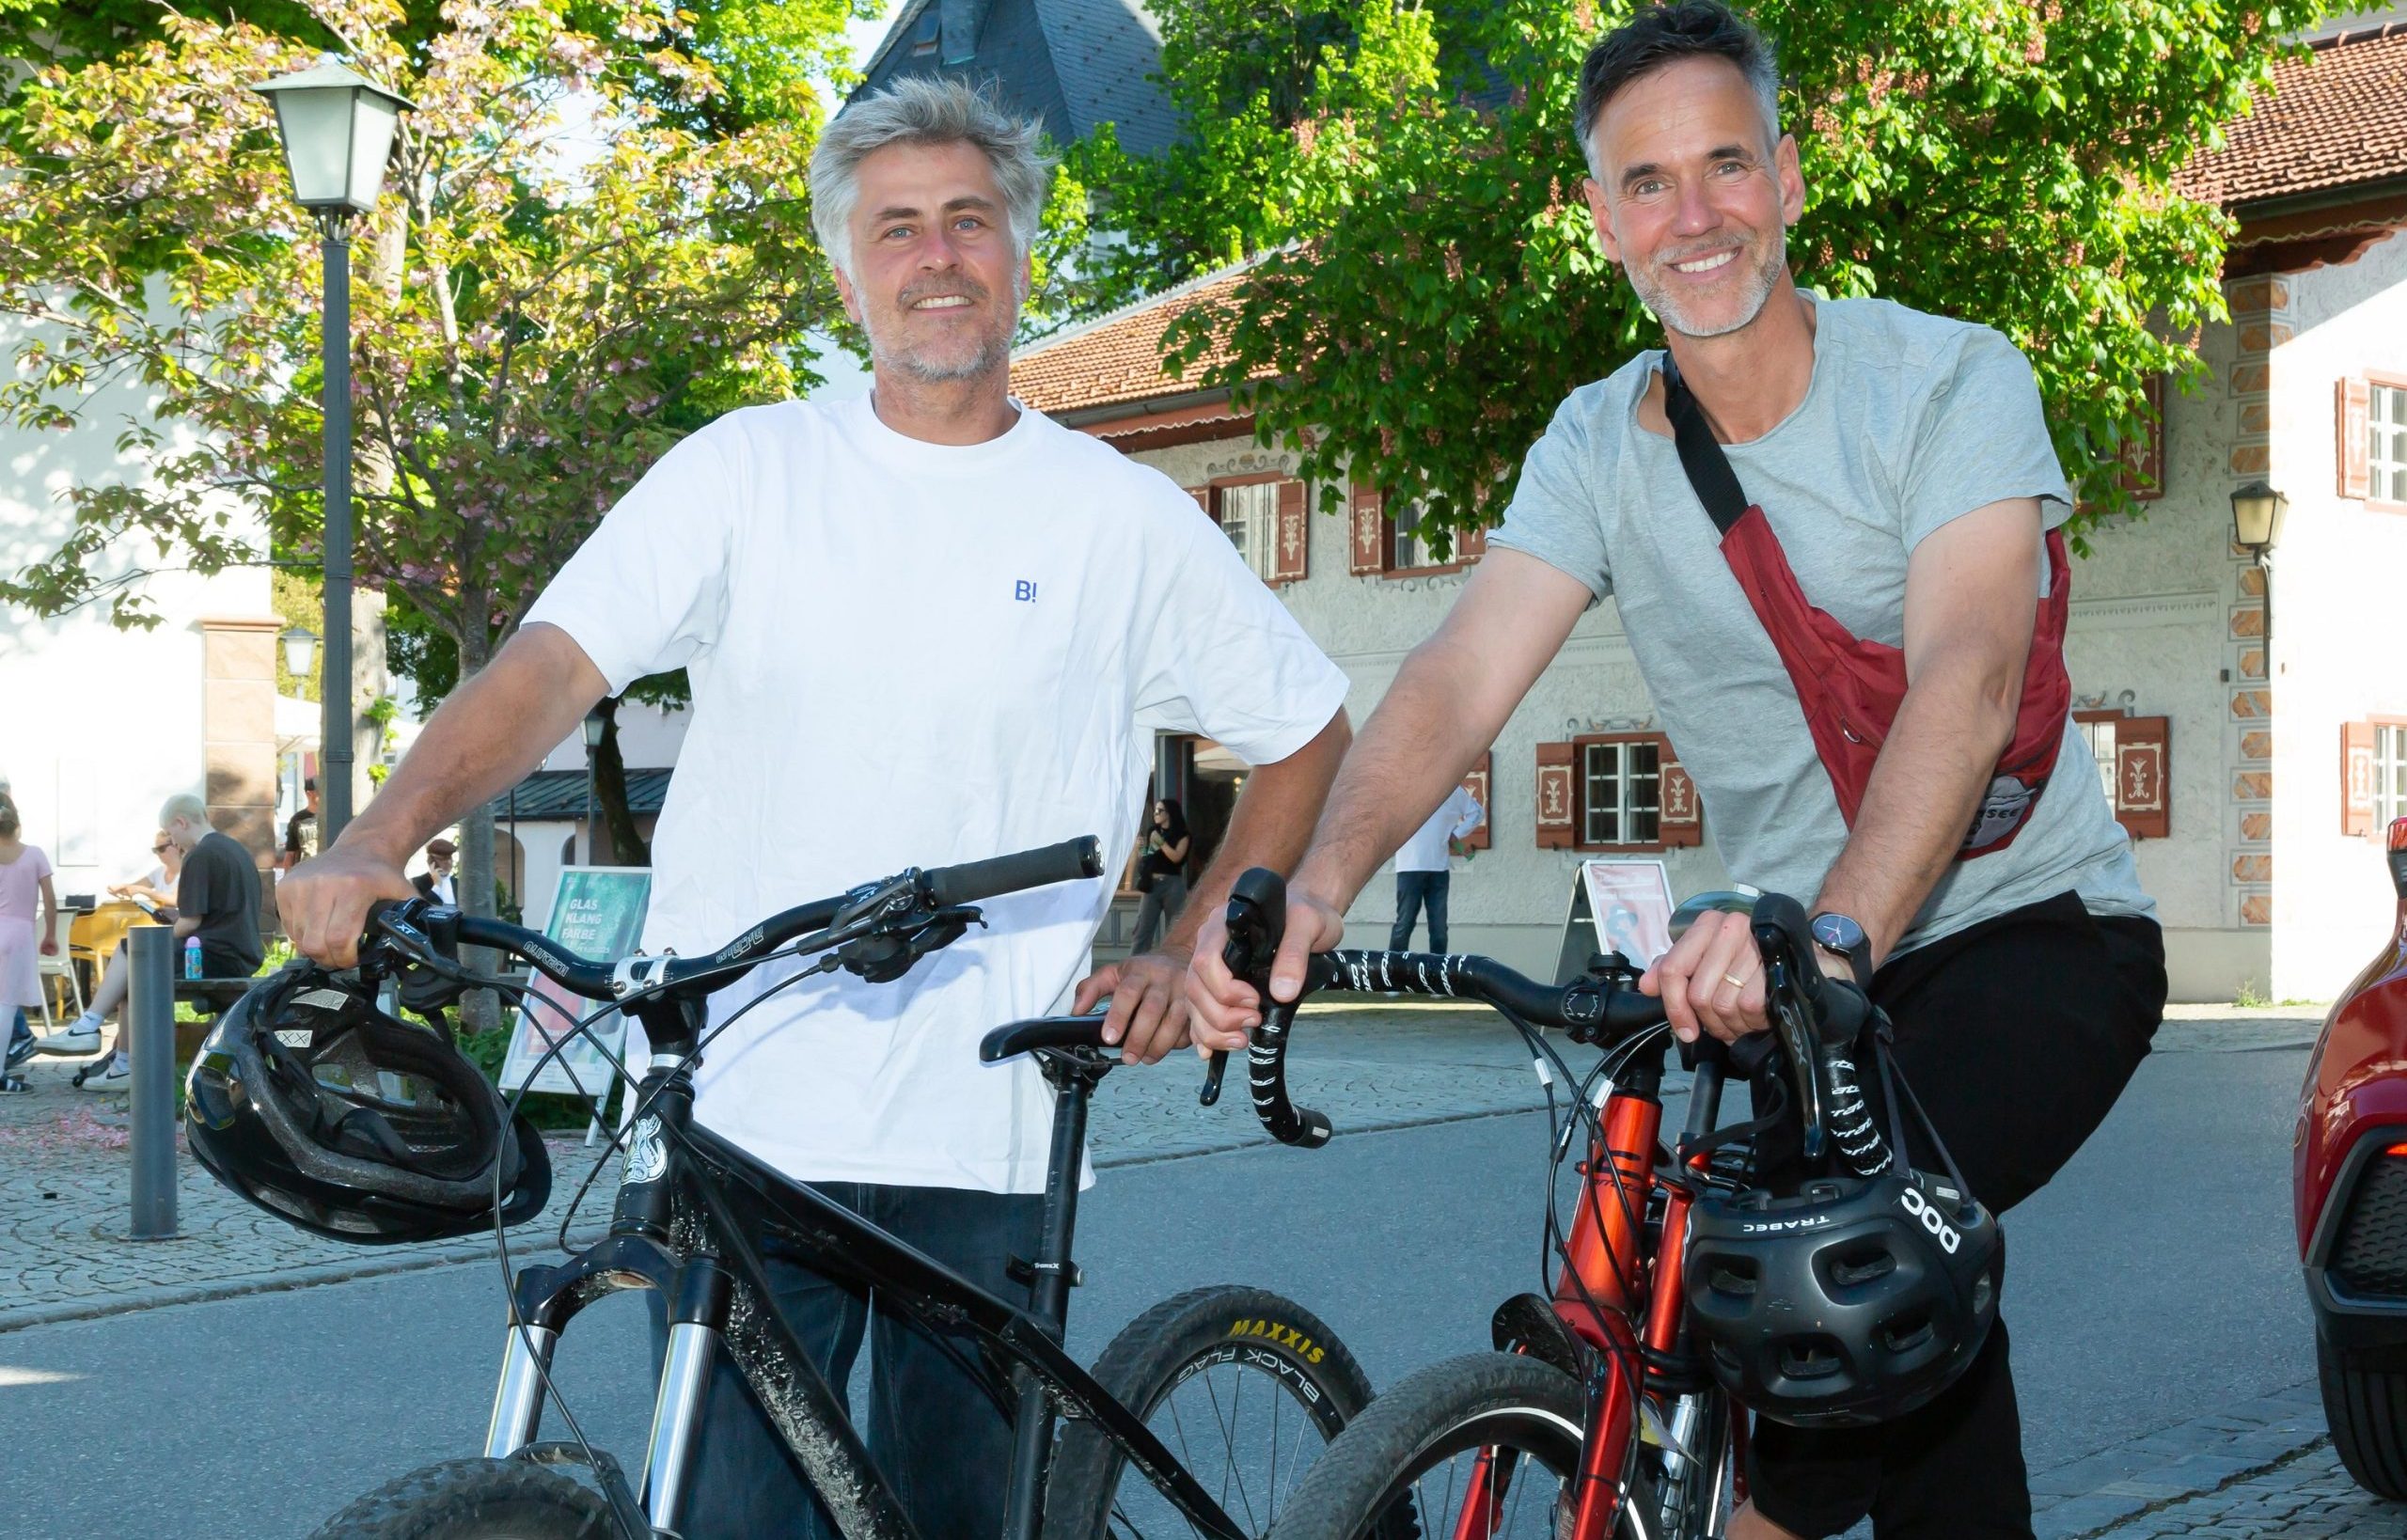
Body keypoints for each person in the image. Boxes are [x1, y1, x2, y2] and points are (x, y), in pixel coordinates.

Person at [277, 77, 1350, 1540]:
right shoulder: (747, 470)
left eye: (969, 219)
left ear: (1019, 252)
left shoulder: (1118, 517)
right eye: (896, 228)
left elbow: (1304, 725)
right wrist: (376, 832)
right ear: (848, 271)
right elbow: (548, 667)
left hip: (986, 1123)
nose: (939, 255)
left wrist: (1198, 943)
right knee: (724, 1520)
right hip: (740, 1109)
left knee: (959, 1519)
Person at [1187, 8, 2163, 1538]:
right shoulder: (1593, 445)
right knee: (1857, 1340)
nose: (1691, 215)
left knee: (1835, 1298)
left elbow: (1965, 683)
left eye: (1723, 166)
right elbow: (1454, 679)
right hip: (1783, 977)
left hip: (2029, 935)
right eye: (1647, 182)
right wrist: (1313, 884)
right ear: (1601, 217)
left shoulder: (1949, 381)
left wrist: (1831, 933)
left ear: (1785, 176)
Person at [34, 794, 264, 1086]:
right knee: (133, 979)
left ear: (181, 822)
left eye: (170, 833)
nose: (172, 842)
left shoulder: (199, 855)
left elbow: (191, 923)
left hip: (210, 956)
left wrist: (159, 935)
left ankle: (89, 1026)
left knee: (133, 949)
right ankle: (121, 1065)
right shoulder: (236, 849)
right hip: (238, 954)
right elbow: (218, 913)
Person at [0, 794, 61, 1079]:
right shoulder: (34, 854)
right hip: (20, 933)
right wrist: (50, 935)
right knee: (6, 1004)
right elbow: (50, 901)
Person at [1389, 782, 1484, 952]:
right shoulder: (1404, 787)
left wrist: (1456, 834)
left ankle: (1438, 974)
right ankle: (1392, 973)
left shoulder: (1452, 789)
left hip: (1438, 869)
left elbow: (1477, 812)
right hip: (1409, 867)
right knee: (1404, 925)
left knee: (1439, 929)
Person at [1127, 797, 1190, 952]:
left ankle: (1172, 965)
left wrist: (1161, 842)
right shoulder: (1153, 831)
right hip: (1152, 884)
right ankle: (1135, 965)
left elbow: (1177, 857)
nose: (1155, 813)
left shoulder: (1182, 835)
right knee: (1142, 929)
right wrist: (1141, 848)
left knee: (1174, 928)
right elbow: (1150, 857)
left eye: (1159, 810)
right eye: (1155, 810)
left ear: (1169, 813)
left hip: (1172, 884)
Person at [108, 830, 183, 916]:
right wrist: (120, 888)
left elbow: (175, 901)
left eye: (161, 849)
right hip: (164, 921)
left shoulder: (186, 871)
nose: (157, 853)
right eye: (155, 850)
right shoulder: (158, 872)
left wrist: (142, 890)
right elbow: (133, 888)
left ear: (177, 846)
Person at [278, 778, 318, 872]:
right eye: (320, 792)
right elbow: (290, 854)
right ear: (309, 794)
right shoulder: (297, 819)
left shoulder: (332, 816)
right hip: (305, 874)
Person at [411, 838, 458, 904]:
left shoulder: (458, 883)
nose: (449, 863)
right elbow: (420, 907)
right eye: (443, 859)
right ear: (431, 861)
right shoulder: (418, 883)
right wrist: (437, 886)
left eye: (450, 858)